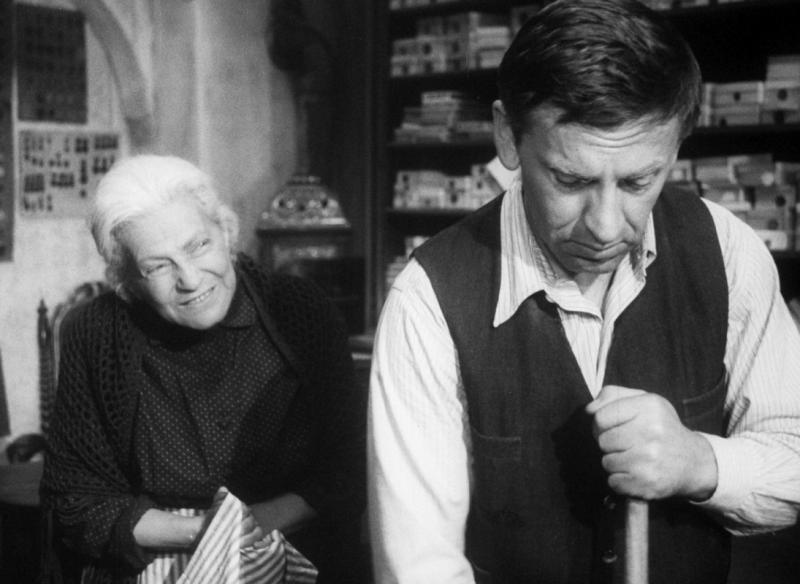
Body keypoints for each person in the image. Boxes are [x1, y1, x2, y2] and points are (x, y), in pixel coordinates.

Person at [367, 0, 800, 582]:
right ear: (508, 136)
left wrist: (699, 462)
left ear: (676, 146)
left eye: (639, 181)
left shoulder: (726, 252)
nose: (604, 224)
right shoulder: (428, 299)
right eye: (570, 180)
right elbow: (419, 568)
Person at [40, 154, 366, 583]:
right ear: (128, 279)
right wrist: (205, 534)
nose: (191, 279)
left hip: (295, 555)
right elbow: (76, 499)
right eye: (158, 266)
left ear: (226, 232)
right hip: (153, 567)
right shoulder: (96, 332)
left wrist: (259, 522)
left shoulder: (300, 310)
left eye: (198, 246)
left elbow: (347, 467)